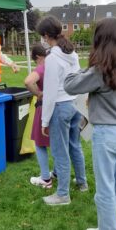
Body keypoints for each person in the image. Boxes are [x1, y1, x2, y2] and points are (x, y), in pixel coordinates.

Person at [65, 17, 116, 230]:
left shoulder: (100, 71)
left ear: (102, 41)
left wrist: (87, 67)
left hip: (107, 134)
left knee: (106, 188)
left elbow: (69, 85)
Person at [36, 15, 87, 206]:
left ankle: (63, 195)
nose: (42, 39)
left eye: (42, 36)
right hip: (75, 105)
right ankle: (82, 183)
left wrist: (44, 121)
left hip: (61, 106)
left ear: (47, 35)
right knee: (74, 145)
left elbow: (49, 93)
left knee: (60, 151)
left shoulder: (52, 59)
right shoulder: (72, 53)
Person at [24, 45, 55, 188]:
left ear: (37, 57)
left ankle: (45, 178)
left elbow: (28, 81)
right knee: (57, 143)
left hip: (44, 108)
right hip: (59, 106)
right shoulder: (55, 64)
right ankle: (58, 172)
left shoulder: (42, 67)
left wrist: (38, 94)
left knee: (39, 143)